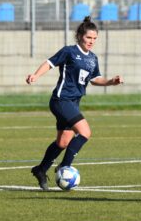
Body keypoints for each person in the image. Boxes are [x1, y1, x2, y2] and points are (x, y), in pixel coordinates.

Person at [26, 16, 123, 191]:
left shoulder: (93, 58)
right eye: (88, 38)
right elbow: (50, 63)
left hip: (73, 102)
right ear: (79, 36)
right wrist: (35, 75)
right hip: (61, 100)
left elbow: (95, 79)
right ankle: (64, 167)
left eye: (94, 38)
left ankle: (40, 170)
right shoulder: (69, 51)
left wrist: (110, 81)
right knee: (85, 132)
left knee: (63, 142)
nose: (91, 41)